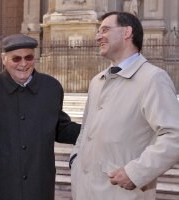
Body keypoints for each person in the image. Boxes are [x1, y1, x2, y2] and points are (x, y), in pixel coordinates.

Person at [70, 11, 179, 200]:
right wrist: (75, 158)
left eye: (104, 30)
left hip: (122, 194)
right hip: (85, 191)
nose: (97, 37)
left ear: (127, 32)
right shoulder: (97, 81)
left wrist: (136, 173)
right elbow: (85, 131)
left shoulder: (153, 78)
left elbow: (174, 135)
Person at [0, 34, 81, 200]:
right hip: (2, 181)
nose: (23, 64)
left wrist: (92, 130)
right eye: (16, 59)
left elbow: (60, 127)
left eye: (28, 57)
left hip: (40, 181)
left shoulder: (52, 87)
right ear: (3, 59)